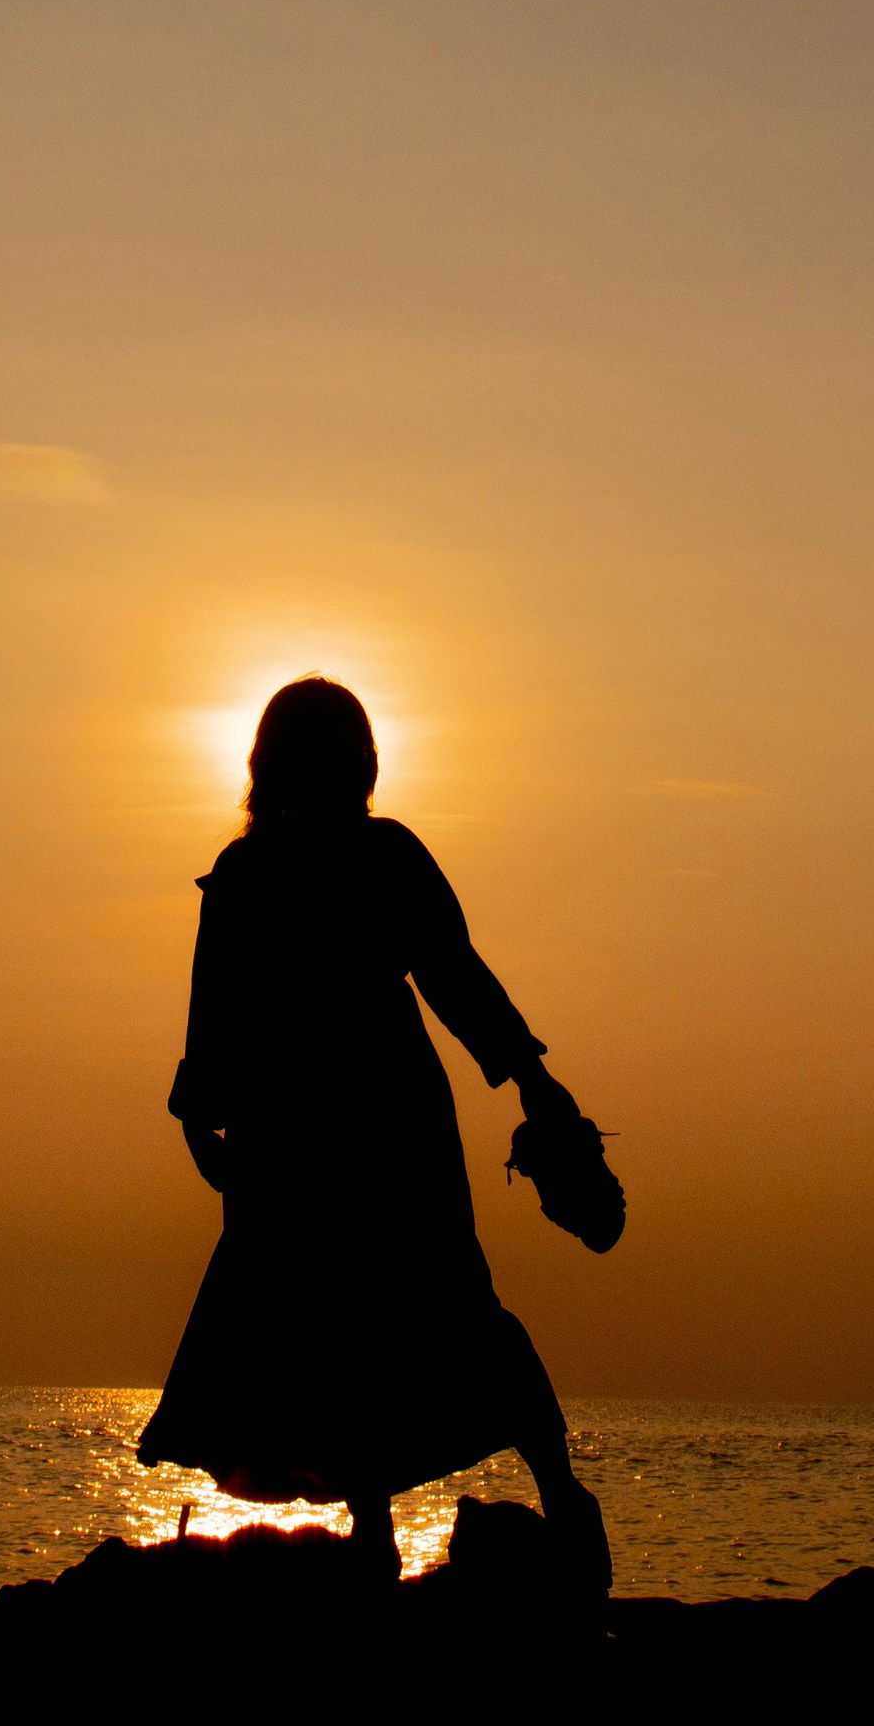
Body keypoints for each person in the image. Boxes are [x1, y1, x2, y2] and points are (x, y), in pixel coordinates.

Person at [136, 676, 611, 1590]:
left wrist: (205, 1123)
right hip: (354, 1122)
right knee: (379, 1321)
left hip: (330, 1130)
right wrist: (535, 1081)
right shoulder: (292, 870)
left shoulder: (293, 869)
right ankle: (420, 1516)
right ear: (360, 762)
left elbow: (451, 979)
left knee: (377, 1316)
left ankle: (490, 1504)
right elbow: (227, 1014)